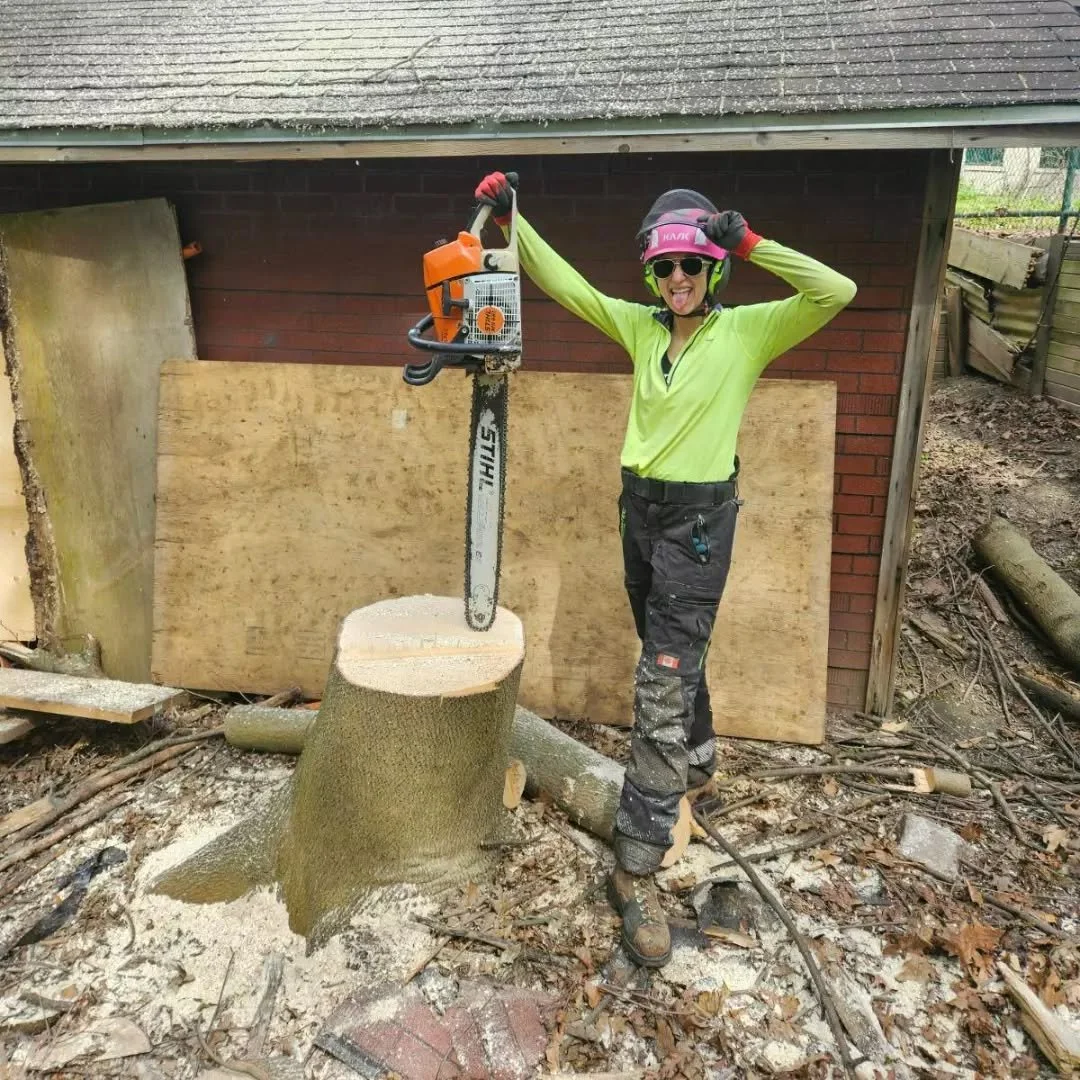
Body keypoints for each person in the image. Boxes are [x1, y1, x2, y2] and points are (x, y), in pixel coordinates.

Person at [475, 171, 857, 968]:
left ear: (712, 269)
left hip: (698, 526)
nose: (677, 282)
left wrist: (750, 241)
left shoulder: (749, 331)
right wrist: (517, 220)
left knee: (661, 676)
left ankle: (636, 863)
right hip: (638, 511)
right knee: (667, 644)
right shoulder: (644, 330)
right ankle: (700, 761)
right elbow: (568, 286)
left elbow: (835, 291)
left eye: (691, 267)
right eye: (664, 269)